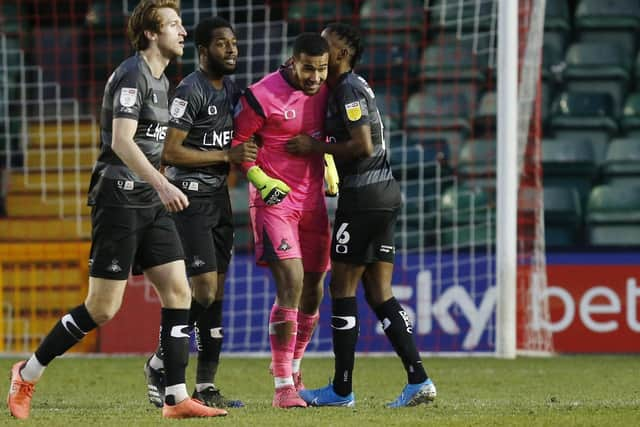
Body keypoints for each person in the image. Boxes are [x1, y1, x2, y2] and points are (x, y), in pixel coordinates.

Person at [7, 0, 227, 419]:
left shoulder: (164, 81)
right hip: (120, 198)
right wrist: (163, 183)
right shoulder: (132, 74)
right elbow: (123, 143)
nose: (183, 31)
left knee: (180, 292)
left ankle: (175, 397)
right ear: (150, 33)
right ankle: (27, 373)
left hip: (149, 201)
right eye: (174, 24)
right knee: (103, 309)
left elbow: (152, 145)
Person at [285, 23, 437, 408]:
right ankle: (418, 379)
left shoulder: (349, 88)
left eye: (327, 40)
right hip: (384, 194)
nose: (320, 43)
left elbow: (363, 145)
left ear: (341, 53)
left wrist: (314, 146)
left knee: (342, 289)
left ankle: (341, 388)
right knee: (379, 292)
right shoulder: (349, 86)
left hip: (365, 196)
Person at [143, 16, 257, 409]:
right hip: (188, 201)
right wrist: (226, 155)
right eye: (223, 43)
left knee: (216, 296)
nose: (232, 50)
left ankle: (206, 386)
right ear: (203, 50)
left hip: (219, 200)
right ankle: (160, 361)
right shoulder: (188, 91)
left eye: (235, 43)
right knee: (203, 289)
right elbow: (169, 152)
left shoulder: (232, 90)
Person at [231, 33, 337, 408]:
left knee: (314, 290)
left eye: (322, 69)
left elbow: (323, 136)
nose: (315, 76)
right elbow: (236, 146)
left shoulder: (328, 91)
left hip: (313, 206)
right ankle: (281, 387)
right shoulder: (261, 95)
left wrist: (328, 162)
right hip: (275, 203)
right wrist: (260, 178)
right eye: (308, 68)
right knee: (290, 282)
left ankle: (294, 369)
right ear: (292, 62)